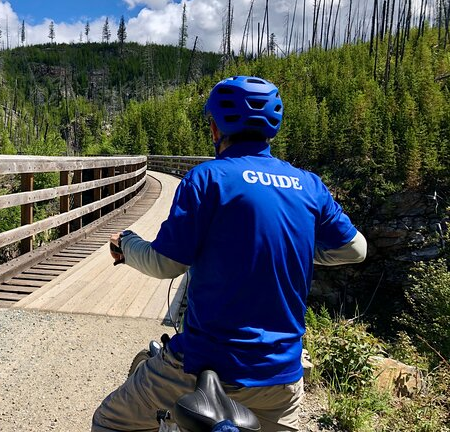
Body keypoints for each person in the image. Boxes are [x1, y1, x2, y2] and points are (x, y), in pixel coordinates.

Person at [92, 76, 367, 432]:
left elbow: (165, 263)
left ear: (214, 128)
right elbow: (355, 249)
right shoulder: (308, 184)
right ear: (273, 128)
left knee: (110, 421)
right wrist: (286, 247)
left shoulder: (208, 178)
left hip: (205, 368)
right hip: (280, 378)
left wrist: (127, 246)